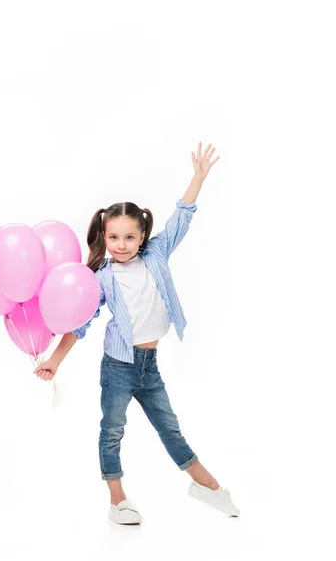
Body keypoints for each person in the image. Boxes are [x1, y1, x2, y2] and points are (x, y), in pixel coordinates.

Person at [34, 142, 240, 524]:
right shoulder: (102, 277)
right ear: (105, 238)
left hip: (149, 366)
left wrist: (197, 178)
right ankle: (118, 499)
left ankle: (207, 486)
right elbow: (80, 325)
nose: (122, 245)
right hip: (118, 367)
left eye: (130, 237)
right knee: (112, 430)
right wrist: (55, 361)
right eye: (114, 238)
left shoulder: (157, 255)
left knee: (170, 428)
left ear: (143, 235)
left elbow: (183, 217)